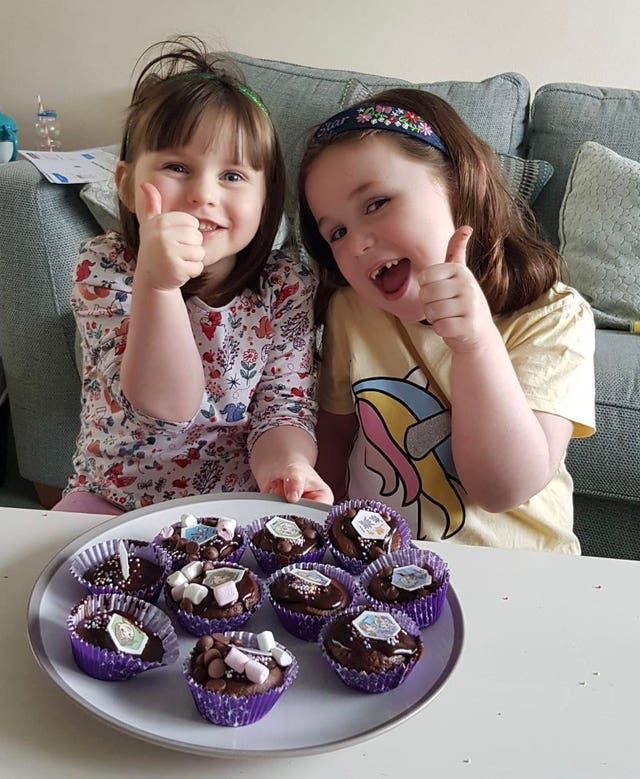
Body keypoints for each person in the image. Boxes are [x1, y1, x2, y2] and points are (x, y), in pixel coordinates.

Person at [298, 89, 595, 553]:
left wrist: (475, 344)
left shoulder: (552, 315)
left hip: (520, 576)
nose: (356, 243)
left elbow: (502, 489)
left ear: (458, 185)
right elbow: (333, 438)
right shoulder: (352, 310)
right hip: (385, 569)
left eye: (376, 203)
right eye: (336, 231)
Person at [54, 36, 331, 515]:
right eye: (177, 167)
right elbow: (165, 407)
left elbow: (283, 407)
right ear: (124, 183)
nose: (203, 194)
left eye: (233, 176)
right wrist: (157, 286)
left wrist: (287, 466)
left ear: (267, 199)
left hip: (236, 504)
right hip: (112, 499)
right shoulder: (104, 267)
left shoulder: (286, 284)